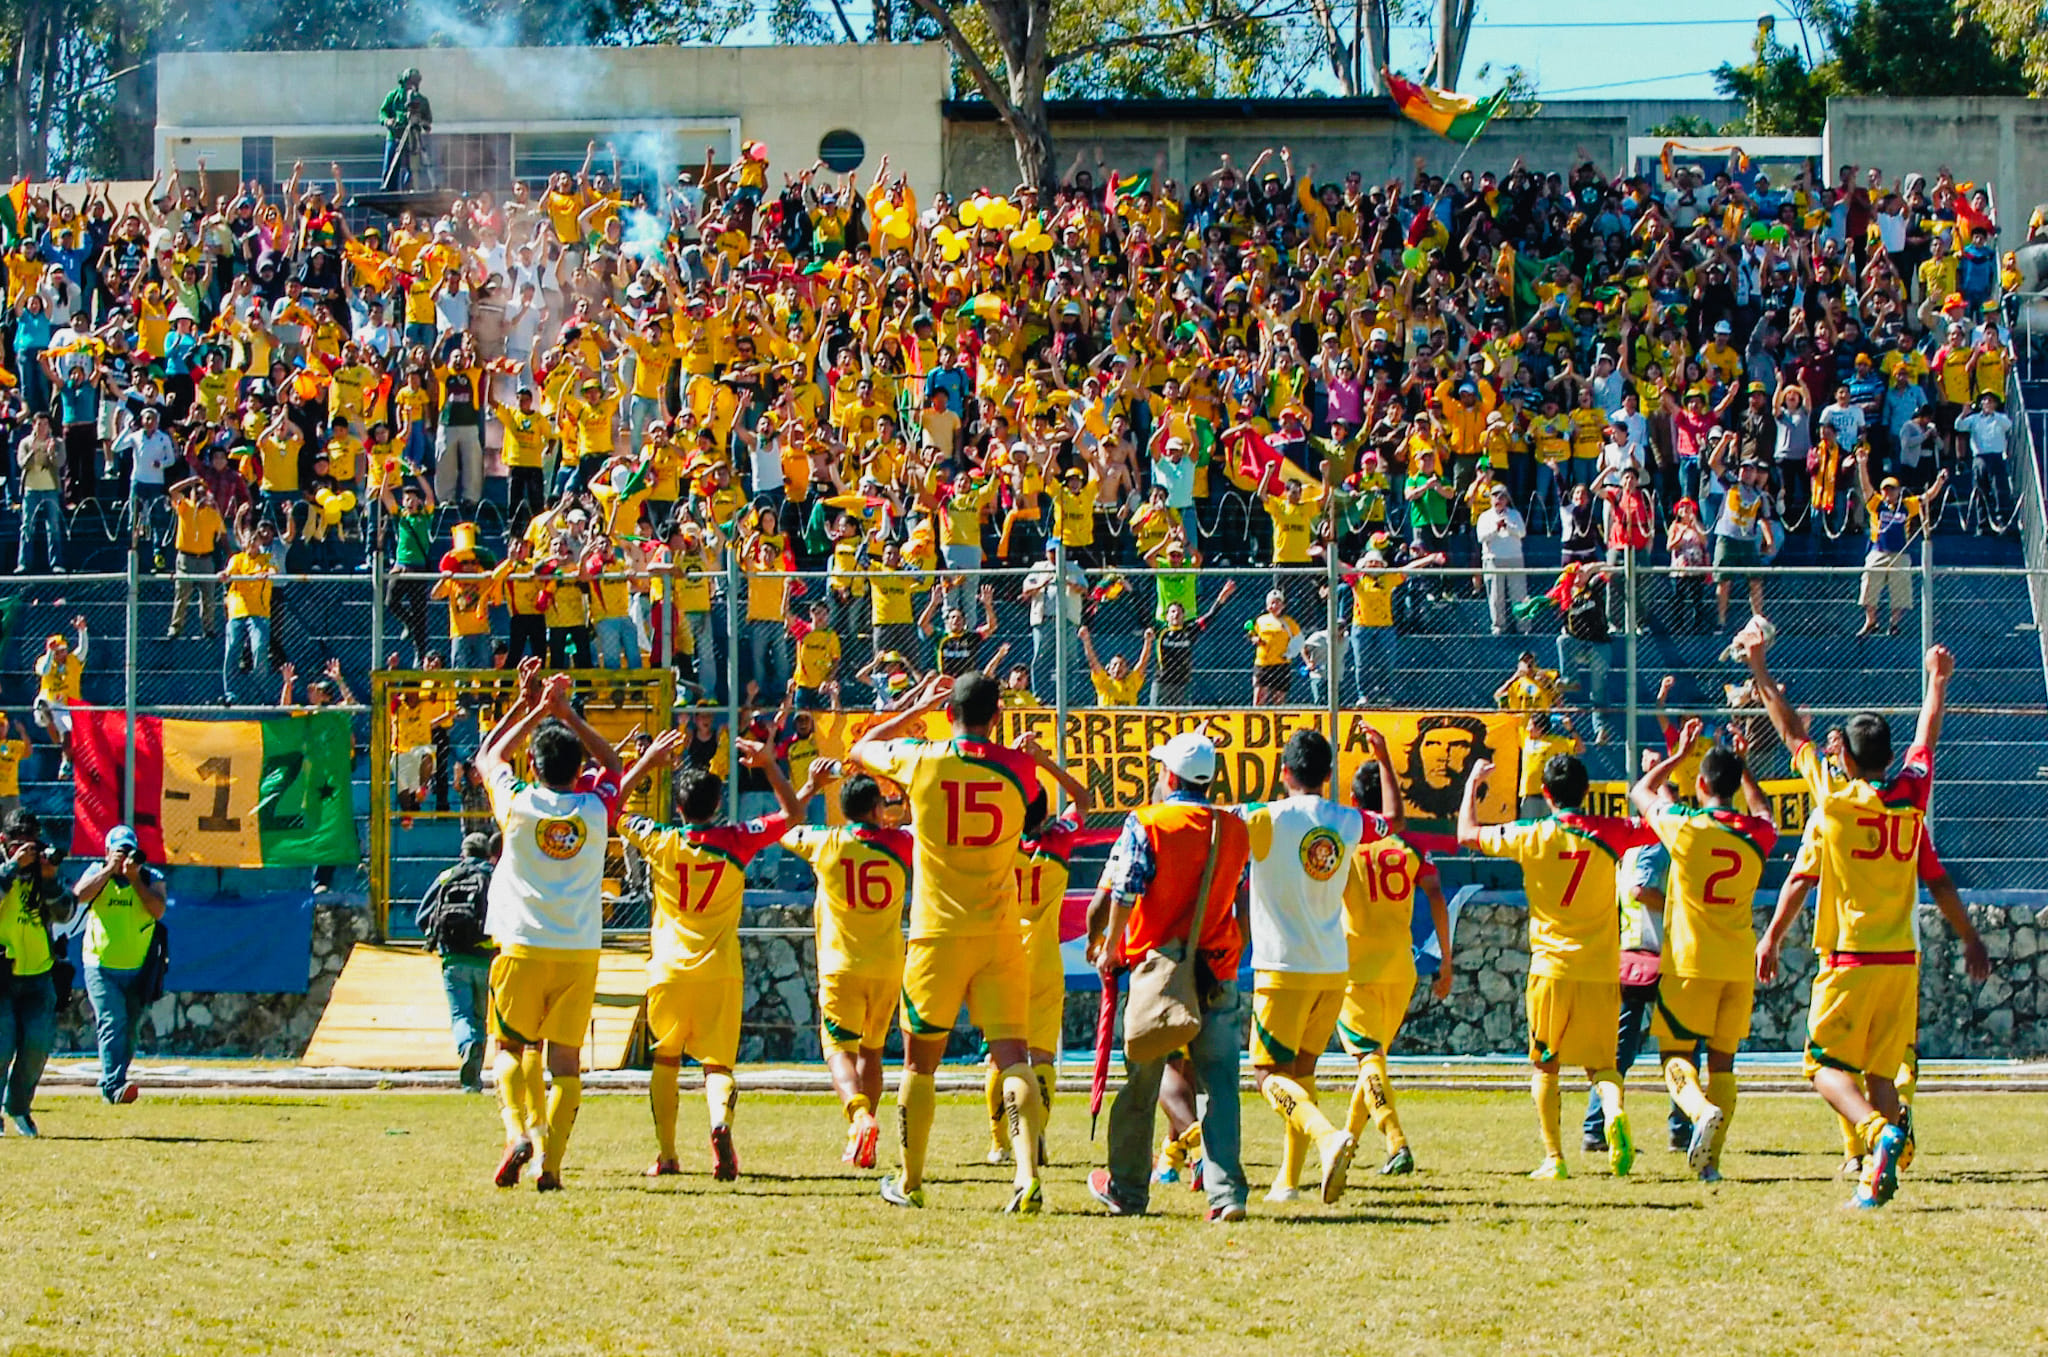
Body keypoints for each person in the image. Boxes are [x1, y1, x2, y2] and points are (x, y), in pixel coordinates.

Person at [1740, 636, 1986, 1208]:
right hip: (1901, 958)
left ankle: (1880, 1136)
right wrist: (1938, 679)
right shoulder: (1913, 797)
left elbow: (1790, 734)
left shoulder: (1833, 798)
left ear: (1846, 759)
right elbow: (1927, 739)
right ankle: (1875, 1177)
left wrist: (1758, 667)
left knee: (1822, 1068)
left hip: (1850, 957)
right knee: (1880, 1075)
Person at [848, 671, 1057, 1213]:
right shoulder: (1021, 768)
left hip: (937, 934)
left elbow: (861, 746)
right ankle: (1026, 1175)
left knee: (920, 1065)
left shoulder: (922, 758)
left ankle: (912, 1181)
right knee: (1013, 1056)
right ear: (998, 716)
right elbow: (1033, 800)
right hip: (999, 932)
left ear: (947, 713)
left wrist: (915, 704)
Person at [1458, 748, 1655, 1180]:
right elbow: (1658, 828)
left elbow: (1467, 833)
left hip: (1551, 968)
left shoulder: (1531, 833)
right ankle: (1614, 1109)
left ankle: (1554, 1158)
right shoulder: (1611, 832)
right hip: (1601, 969)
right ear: (1586, 792)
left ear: (1545, 793)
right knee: (1603, 1066)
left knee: (1545, 1063)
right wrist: (1659, 772)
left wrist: (1474, 782)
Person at [1084, 731, 1254, 1222]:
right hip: (1217, 967)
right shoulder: (1234, 827)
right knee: (1220, 1085)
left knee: (1141, 1083)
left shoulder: (1148, 823)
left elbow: (1125, 890)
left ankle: (1128, 1190)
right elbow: (1240, 892)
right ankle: (1227, 1196)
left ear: (1169, 776)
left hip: (1158, 971)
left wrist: (1111, 945)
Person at [616, 727, 799, 1181]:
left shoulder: (659, 839)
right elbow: (793, 813)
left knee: (666, 1060)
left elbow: (610, 809)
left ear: (679, 808)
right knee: (717, 1065)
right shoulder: (738, 840)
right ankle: (719, 1123)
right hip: (719, 970)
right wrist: (770, 763)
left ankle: (668, 1155)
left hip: (668, 971)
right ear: (718, 806)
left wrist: (647, 763)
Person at [474, 661, 624, 1192]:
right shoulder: (597, 808)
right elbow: (614, 762)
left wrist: (531, 707)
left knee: (510, 1050)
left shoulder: (517, 803)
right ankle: (551, 1165)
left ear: (533, 766)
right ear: (577, 766)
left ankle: (517, 1131)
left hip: (521, 943)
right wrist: (568, 715)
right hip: (578, 949)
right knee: (565, 1065)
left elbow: (487, 756)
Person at [1628, 723, 1777, 1181]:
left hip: (1690, 961)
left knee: (1674, 1055)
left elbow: (1642, 790)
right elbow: (1764, 811)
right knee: (1723, 1063)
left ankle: (1698, 1112)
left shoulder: (1685, 826)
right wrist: (1745, 764)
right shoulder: (1758, 836)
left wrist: (1679, 753)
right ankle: (1709, 1163)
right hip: (1737, 964)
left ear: (1701, 784)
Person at [1238, 727, 1371, 1205]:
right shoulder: (1349, 822)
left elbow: (1206, 818)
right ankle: (1287, 1182)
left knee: (1267, 1076)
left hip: (1282, 968)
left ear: (1284, 773)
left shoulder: (1264, 818)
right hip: (1332, 967)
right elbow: (1391, 819)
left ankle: (1326, 1136)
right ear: (1329, 775)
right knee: (1302, 1072)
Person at [781, 763, 912, 1170]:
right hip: (888, 966)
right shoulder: (902, 844)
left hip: (841, 967)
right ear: (876, 809)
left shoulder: (825, 841)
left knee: (838, 1049)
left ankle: (859, 1116)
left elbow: (783, 828)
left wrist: (808, 786)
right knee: (872, 1052)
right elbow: (923, 829)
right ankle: (863, 1142)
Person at [1338, 740, 1452, 1175]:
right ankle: (1348, 1145)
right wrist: (1446, 957)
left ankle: (1396, 1141)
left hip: (1356, 968)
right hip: (1400, 969)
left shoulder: (1347, 848)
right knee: (1374, 1063)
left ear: (1351, 803)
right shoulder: (1408, 849)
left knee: (1368, 1060)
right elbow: (1437, 892)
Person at [983, 736, 1091, 1168]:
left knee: (1001, 1056)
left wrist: (1004, 763)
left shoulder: (996, 845)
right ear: (1045, 812)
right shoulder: (1059, 840)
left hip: (1003, 957)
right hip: (1046, 959)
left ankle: (999, 1143)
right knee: (1043, 1056)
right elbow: (1083, 800)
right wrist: (1044, 761)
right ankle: (1036, 1130)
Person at [72, 824, 167, 1106]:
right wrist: (108, 871)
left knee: (130, 1028)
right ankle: (114, 1085)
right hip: (100, 964)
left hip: (139, 968)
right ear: (107, 852)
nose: (124, 857)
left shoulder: (150, 877)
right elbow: (79, 895)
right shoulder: (95, 872)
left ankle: (115, 1080)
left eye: (129, 851)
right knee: (112, 1021)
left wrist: (134, 879)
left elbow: (158, 910)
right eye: (118, 851)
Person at [0, 808, 70, 1136]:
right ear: (4, 841)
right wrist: (13, 868)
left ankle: (18, 1107)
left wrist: (51, 879)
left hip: (39, 973)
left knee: (37, 1045)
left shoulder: (42, 869)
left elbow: (65, 912)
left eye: (32, 843)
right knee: (1, 1045)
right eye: (19, 844)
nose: (27, 850)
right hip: (3, 972)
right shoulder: (5, 867)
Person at [415, 830, 498, 1094]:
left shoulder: (446, 877)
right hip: (486, 958)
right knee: (480, 1016)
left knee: (461, 1015)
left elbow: (421, 917)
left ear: (462, 853)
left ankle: (467, 1050)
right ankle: (474, 1077)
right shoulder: (495, 877)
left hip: (452, 957)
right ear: (488, 854)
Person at [1854, 455, 1948, 637]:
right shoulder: (1876, 504)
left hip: (1900, 553)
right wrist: (1862, 464)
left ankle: (1894, 623)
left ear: (1899, 490)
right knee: (1869, 585)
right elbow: (1866, 487)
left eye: (1893, 489)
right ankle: (1871, 620)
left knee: (1900, 590)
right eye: (1886, 490)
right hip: (1878, 551)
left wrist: (1940, 481)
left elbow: (1927, 497)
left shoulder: (1907, 505)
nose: (1889, 493)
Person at [379, 67, 432, 192]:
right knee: (391, 164)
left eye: (414, 83)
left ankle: (410, 189)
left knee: (412, 166)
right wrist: (387, 121)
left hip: (413, 137)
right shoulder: (393, 96)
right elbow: (383, 112)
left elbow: (428, 119)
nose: (411, 86)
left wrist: (423, 123)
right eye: (409, 82)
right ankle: (389, 189)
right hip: (395, 136)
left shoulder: (422, 101)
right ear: (403, 82)